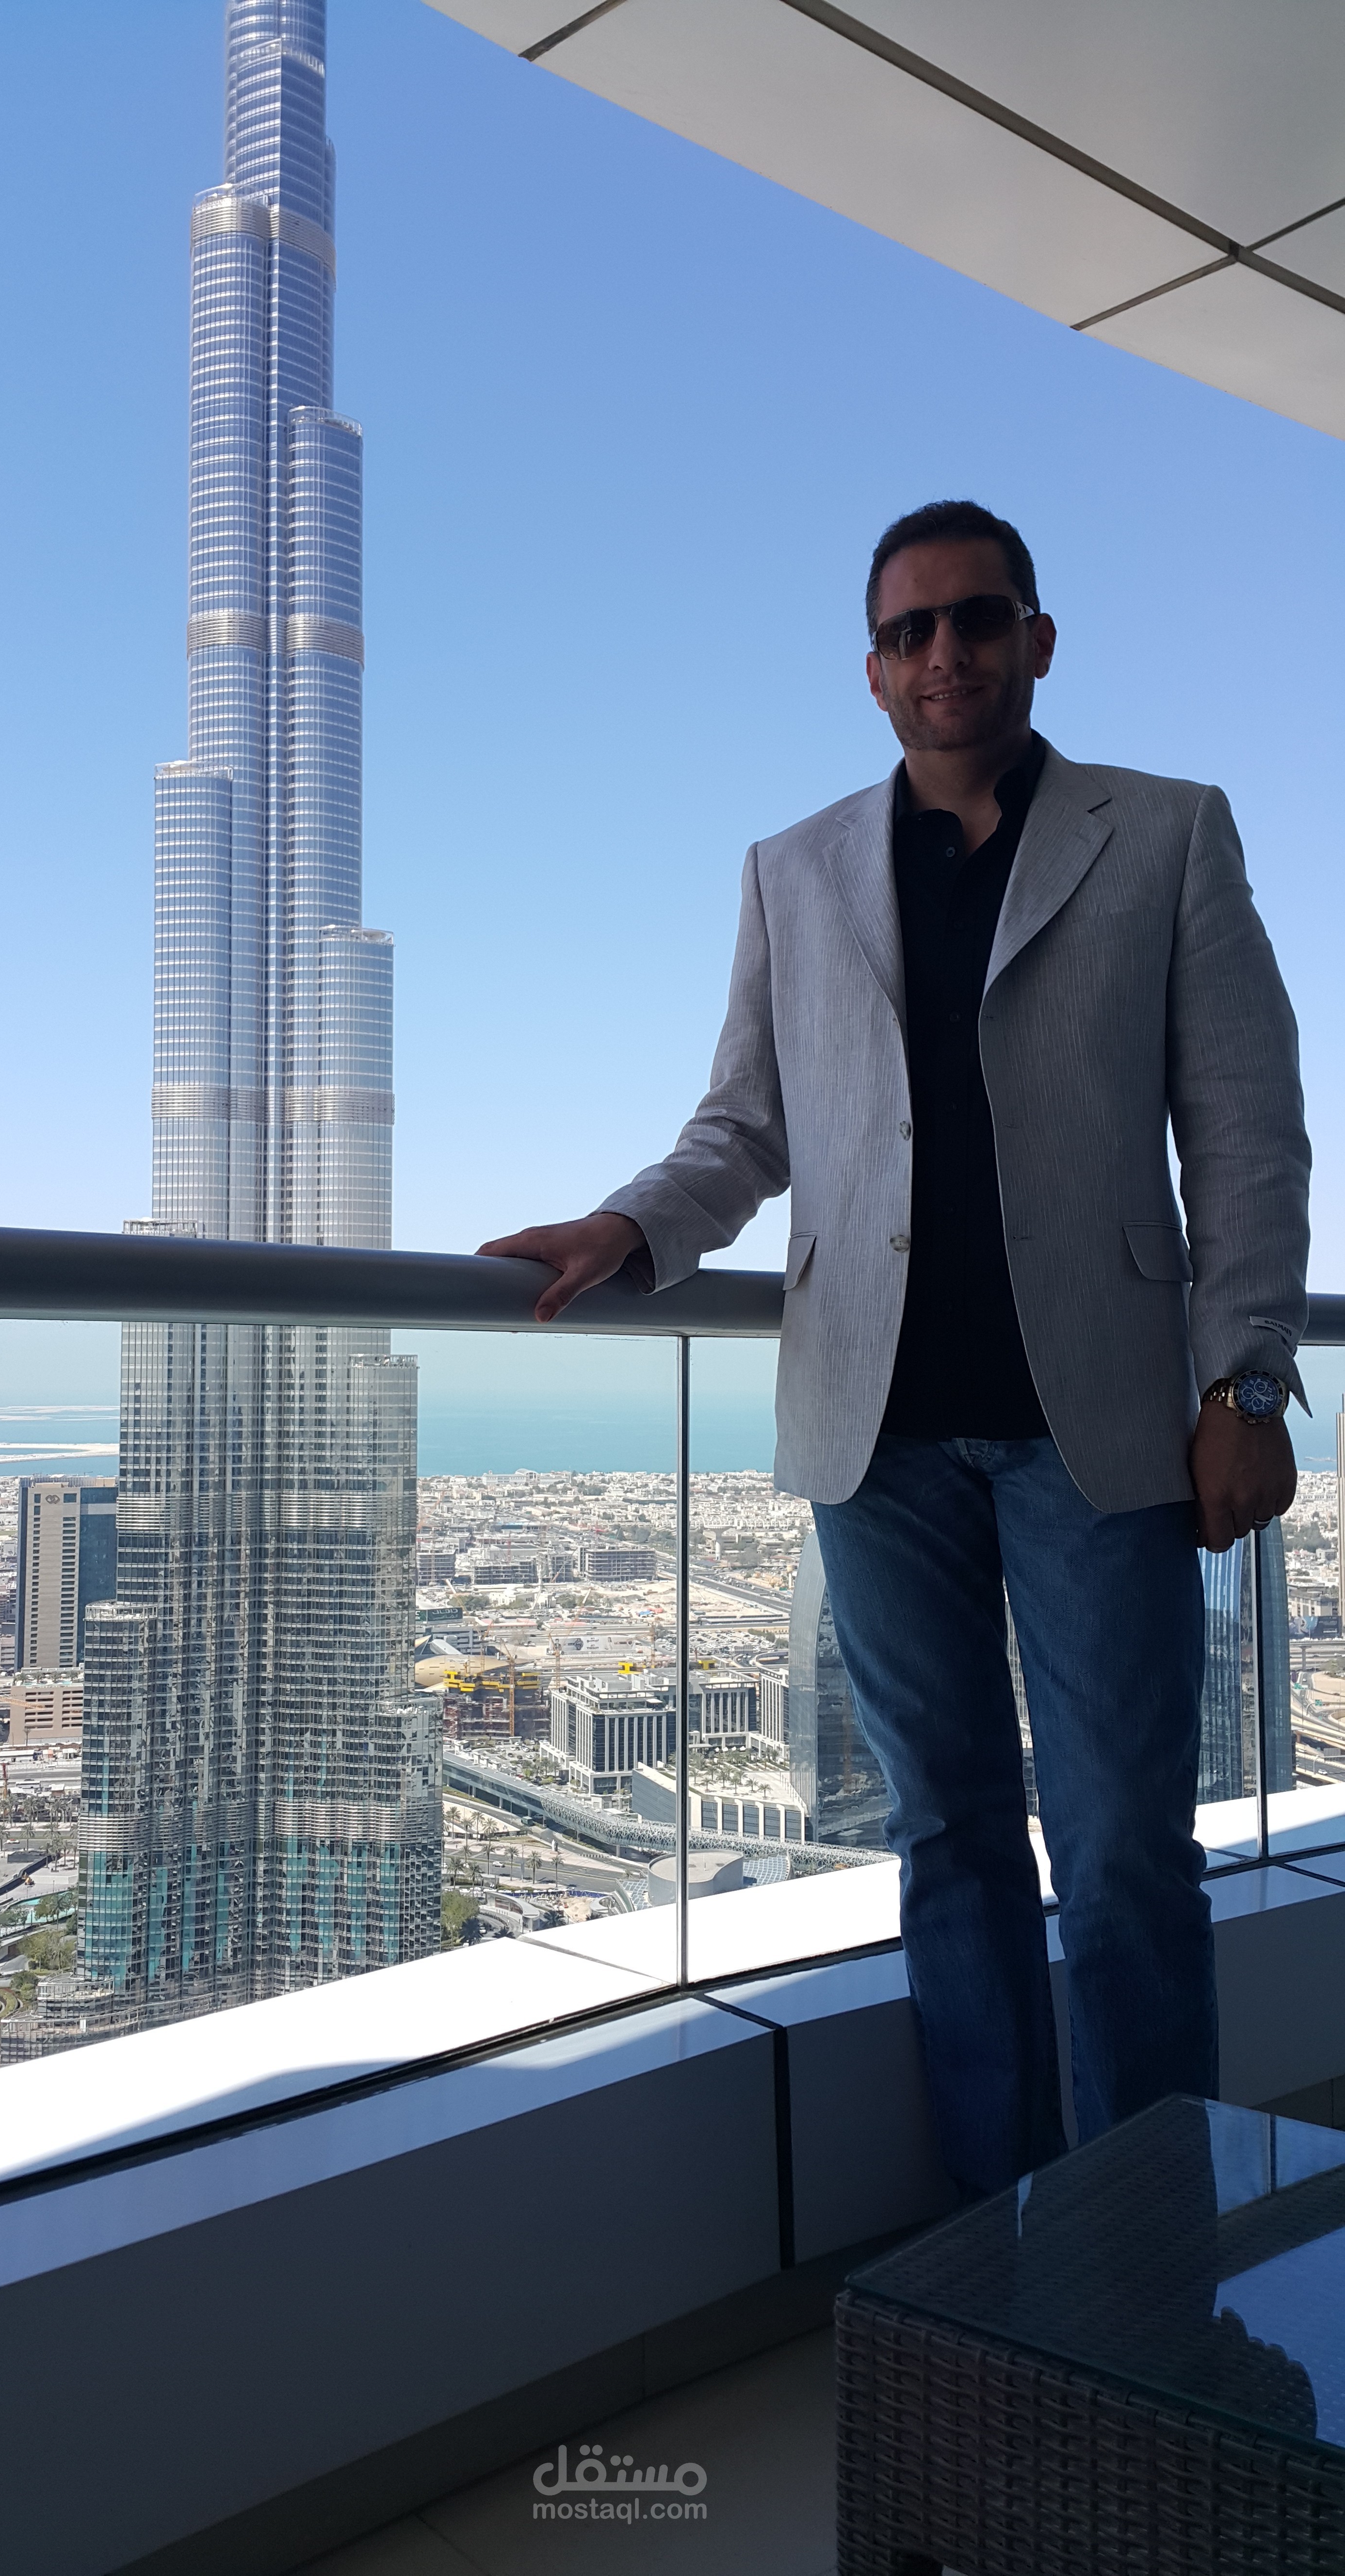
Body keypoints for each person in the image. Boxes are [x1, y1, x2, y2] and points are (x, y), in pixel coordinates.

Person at [479, 499, 1310, 2197]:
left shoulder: (1164, 831)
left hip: (1100, 1430)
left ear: (1036, 641)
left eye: (976, 618)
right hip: (874, 1435)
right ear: (871, 671)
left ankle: (1146, 2257)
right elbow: (744, 1125)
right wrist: (631, 1226)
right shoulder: (791, 870)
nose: (945, 653)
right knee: (944, 1842)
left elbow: (1244, 1132)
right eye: (909, 630)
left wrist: (1243, 1381)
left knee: (1123, 1851)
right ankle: (999, 2238)